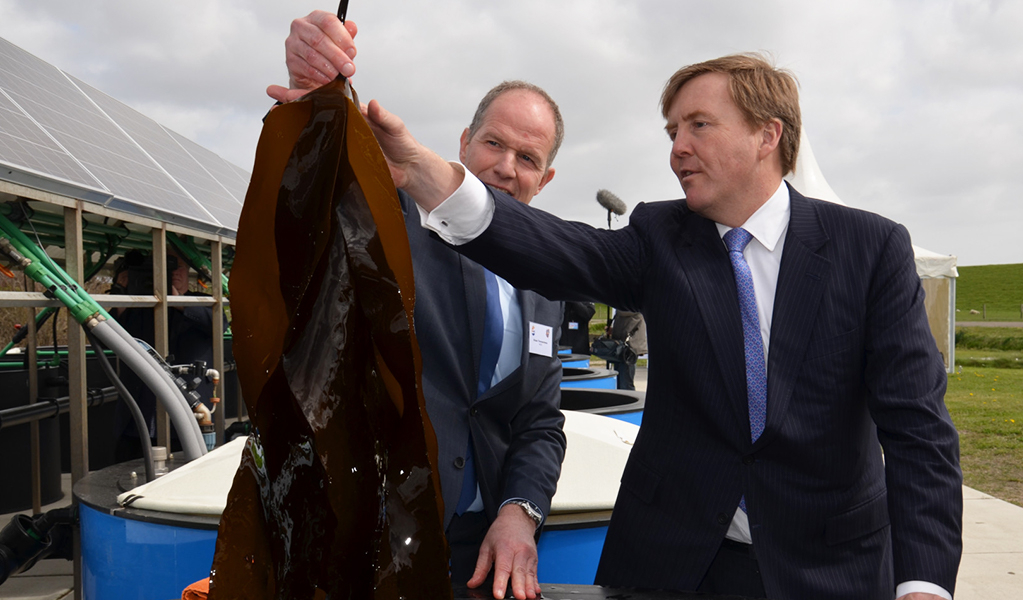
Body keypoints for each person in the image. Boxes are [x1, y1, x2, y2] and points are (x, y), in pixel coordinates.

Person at [347, 51, 963, 600]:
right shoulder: (659, 237)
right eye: (672, 131)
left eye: (699, 125)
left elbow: (918, 433)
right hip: (669, 566)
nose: (677, 148)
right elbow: (552, 247)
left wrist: (925, 583)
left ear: (766, 135)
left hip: (828, 569)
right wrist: (422, 172)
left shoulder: (870, 249)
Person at [269, 12, 567, 600]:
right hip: (377, 543)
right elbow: (320, 194)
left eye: (527, 159)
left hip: (487, 560)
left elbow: (539, 420)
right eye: (494, 143)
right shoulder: (395, 220)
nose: (506, 168)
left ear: (547, 177)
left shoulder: (547, 279)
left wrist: (520, 512)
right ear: (463, 143)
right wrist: (315, 95)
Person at [108, 248, 217, 462]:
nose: (170, 271)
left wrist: (178, 300)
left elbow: (218, 324)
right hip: (138, 412)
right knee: (127, 471)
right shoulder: (141, 305)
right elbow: (107, 334)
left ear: (187, 272)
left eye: (175, 266)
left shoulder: (203, 302)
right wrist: (121, 291)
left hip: (186, 411)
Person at [607, 310, 646, 390]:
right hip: (624, 346)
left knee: (626, 383)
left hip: (629, 348)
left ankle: (628, 400)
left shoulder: (629, 308)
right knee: (621, 381)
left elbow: (623, 312)